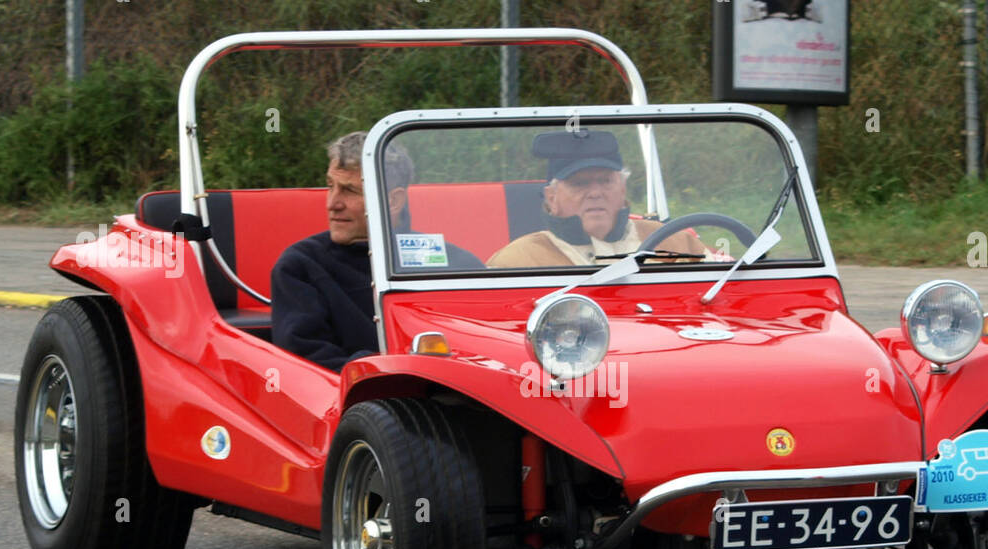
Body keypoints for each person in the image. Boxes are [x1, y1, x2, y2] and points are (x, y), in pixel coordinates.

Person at [271, 131, 478, 371]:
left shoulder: (457, 264)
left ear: (393, 201)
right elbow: (307, 367)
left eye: (349, 190)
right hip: (363, 403)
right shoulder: (301, 266)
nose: (332, 204)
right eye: (330, 186)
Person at [486, 130, 711, 268]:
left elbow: (727, 295)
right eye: (580, 183)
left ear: (622, 191)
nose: (595, 193)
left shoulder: (676, 242)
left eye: (605, 181)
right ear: (551, 198)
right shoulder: (517, 261)